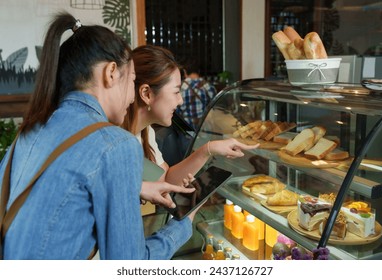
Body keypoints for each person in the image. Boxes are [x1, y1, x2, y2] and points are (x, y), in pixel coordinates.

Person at [0, 12, 195, 260]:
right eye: (132, 81)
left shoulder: (31, 130)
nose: (132, 97)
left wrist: (136, 187)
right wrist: (182, 225)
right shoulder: (116, 144)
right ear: (111, 73)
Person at [122, 45, 259, 203]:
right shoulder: (117, 141)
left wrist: (208, 149)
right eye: (176, 92)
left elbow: (165, 180)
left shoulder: (145, 133)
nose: (180, 101)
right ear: (146, 94)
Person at [176, 58, 218, 130]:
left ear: (184, 71)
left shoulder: (179, 88)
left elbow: (176, 112)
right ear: (198, 71)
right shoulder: (209, 87)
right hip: (205, 130)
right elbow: (215, 110)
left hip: (186, 131)